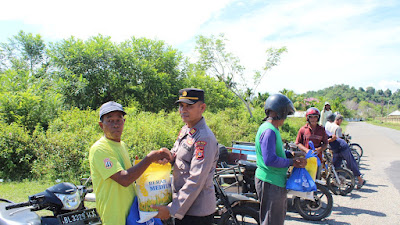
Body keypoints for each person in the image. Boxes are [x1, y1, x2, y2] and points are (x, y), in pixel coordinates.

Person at [89, 101, 172, 225]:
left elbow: (132, 176)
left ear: (124, 122)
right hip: (114, 217)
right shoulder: (100, 149)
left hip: (131, 214)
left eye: (118, 120)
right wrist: (149, 159)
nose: (115, 125)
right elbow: (124, 179)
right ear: (101, 125)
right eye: (110, 120)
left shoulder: (121, 145)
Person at [153, 88, 219, 225]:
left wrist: (171, 209)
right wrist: (168, 156)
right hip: (184, 207)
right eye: (181, 106)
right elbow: (179, 156)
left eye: (189, 106)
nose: (183, 110)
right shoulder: (186, 129)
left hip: (196, 212)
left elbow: (196, 180)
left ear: (202, 108)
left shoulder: (204, 138)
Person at [255, 94, 307, 225]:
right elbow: (270, 159)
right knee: (272, 221)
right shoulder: (269, 131)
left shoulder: (270, 128)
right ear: (281, 113)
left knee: (275, 219)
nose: (286, 119)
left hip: (274, 180)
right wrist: (292, 162)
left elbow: (274, 152)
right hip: (271, 181)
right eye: (286, 114)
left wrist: (290, 154)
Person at [326, 114, 366, 189]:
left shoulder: (326, 129)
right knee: (335, 166)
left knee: (350, 163)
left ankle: (360, 180)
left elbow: (334, 137)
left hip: (342, 146)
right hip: (335, 149)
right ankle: (336, 181)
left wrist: (327, 141)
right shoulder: (333, 127)